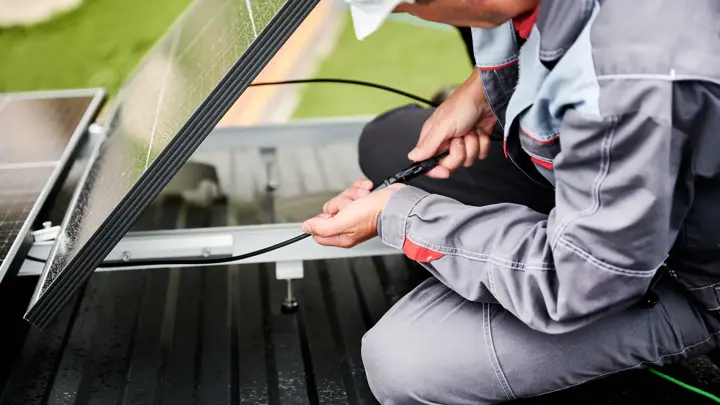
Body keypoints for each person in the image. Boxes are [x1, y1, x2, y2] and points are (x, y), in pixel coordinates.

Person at [306, 0, 720, 404]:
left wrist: (399, 214)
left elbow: (578, 281)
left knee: (401, 359)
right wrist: (482, 92)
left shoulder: (631, 86)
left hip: (682, 277)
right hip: (623, 197)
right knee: (390, 146)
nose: (412, 14)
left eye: (410, 8)